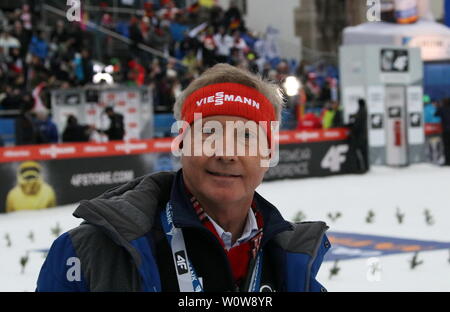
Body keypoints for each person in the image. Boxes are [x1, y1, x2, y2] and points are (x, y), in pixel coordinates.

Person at [36, 64, 330, 292]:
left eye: (246, 137)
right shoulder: (88, 252)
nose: (226, 153)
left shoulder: (294, 261)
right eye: (208, 134)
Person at [348, 99, 369, 173]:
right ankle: (366, 167)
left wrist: (352, 129)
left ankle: (360, 168)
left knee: (358, 152)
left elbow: (357, 124)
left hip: (359, 136)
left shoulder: (361, 111)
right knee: (364, 153)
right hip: (363, 135)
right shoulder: (363, 111)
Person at [434, 98, 450, 165]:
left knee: (446, 146)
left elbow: (435, 114)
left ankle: (447, 161)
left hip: (445, 130)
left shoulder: (442, 108)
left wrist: (438, 106)